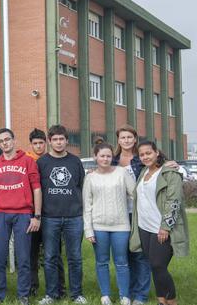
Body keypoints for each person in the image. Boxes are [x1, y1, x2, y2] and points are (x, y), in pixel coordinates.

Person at [130, 141, 189, 305]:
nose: (145, 157)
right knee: (154, 266)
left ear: (156, 152)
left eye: (148, 153)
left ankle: (172, 301)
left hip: (160, 228)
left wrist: (165, 227)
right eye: (142, 155)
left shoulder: (170, 172)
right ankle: (161, 300)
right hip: (144, 227)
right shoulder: (143, 172)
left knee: (158, 265)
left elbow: (174, 201)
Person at [0, 128, 41, 305]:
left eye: (7, 139)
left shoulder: (27, 161)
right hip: (0, 214)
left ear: (14, 140)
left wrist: (36, 216)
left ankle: (23, 294)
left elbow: (37, 189)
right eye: (1, 141)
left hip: (23, 213)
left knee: (23, 257)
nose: (5, 143)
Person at [36, 125, 87, 305]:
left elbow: (82, 187)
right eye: (55, 139)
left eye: (61, 139)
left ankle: (76, 294)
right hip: (50, 217)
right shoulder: (42, 163)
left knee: (75, 257)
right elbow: (37, 189)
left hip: (74, 217)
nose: (58, 142)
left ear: (67, 141)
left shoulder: (75, 162)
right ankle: (51, 294)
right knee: (50, 257)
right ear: (49, 141)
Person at [84, 143, 135, 305]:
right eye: (102, 156)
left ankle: (124, 296)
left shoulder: (122, 173)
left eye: (108, 156)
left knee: (122, 262)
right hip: (99, 227)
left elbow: (135, 195)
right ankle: (105, 295)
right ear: (95, 157)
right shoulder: (90, 177)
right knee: (102, 261)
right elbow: (87, 205)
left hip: (121, 226)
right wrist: (88, 230)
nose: (105, 159)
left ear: (112, 157)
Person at [26, 129, 65, 298]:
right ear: (31, 145)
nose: (38, 146)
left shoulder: (52, 160)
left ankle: (60, 288)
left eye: (41, 143)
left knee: (54, 253)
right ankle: (32, 286)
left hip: (50, 214)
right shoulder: (27, 161)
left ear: (46, 143)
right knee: (31, 254)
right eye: (35, 143)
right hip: (31, 214)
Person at [112, 124, 148, 305]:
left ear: (135, 139)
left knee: (139, 254)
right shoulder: (113, 160)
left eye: (129, 137)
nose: (126, 140)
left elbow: (161, 167)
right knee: (123, 255)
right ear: (118, 140)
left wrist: (170, 164)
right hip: (118, 214)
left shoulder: (142, 158)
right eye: (122, 137)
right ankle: (128, 292)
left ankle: (140, 295)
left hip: (140, 213)